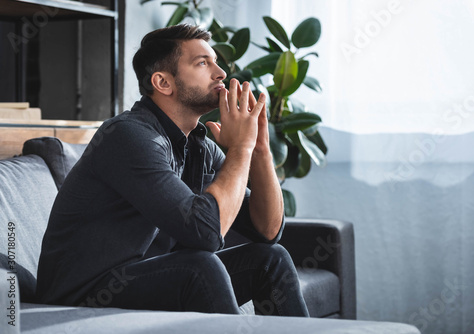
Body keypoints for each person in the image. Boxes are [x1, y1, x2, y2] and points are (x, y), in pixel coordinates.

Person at [35, 24, 309, 317]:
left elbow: (267, 231)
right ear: (163, 83)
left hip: (148, 281)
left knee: (271, 259)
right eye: (203, 63)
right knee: (200, 266)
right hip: (82, 296)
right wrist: (240, 149)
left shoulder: (198, 145)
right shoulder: (128, 136)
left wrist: (259, 149)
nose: (220, 73)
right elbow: (205, 234)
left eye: (215, 62)